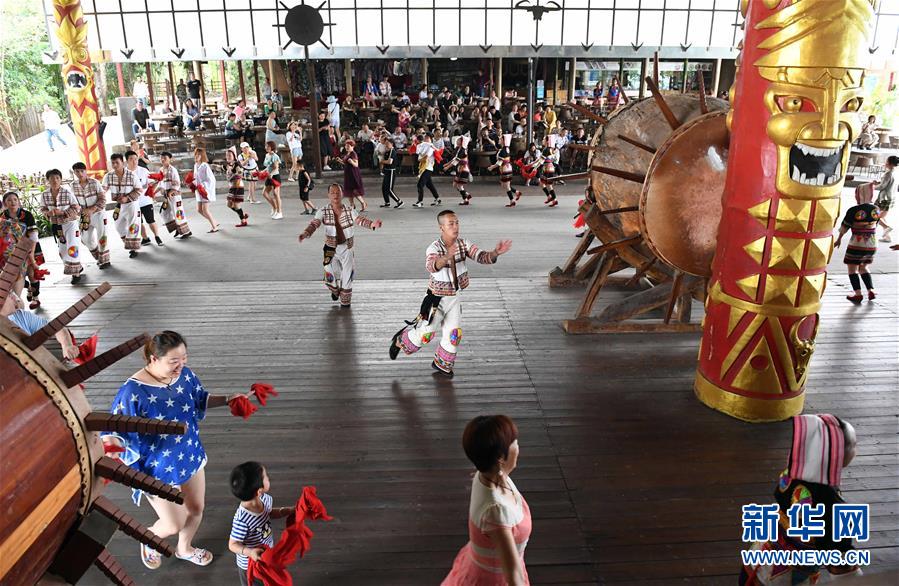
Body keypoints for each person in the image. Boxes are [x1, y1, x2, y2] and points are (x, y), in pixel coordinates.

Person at [102, 331, 252, 570]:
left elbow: (199, 398)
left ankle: (185, 548)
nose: (180, 365)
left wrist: (228, 399)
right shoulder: (132, 391)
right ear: (153, 359)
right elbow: (116, 429)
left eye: (184, 358)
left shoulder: (185, 375)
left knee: (196, 509)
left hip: (188, 453)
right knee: (173, 523)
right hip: (156, 469)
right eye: (173, 361)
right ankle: (149, 538)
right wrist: (112, 447)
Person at [739, 414, 861, 585]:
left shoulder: (792, 474)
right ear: (836, 455)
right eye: (854, 445)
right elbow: (841, 565)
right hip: (787, 576)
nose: (857, 449)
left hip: (761, 557)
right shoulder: (831, 506)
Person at [389, 210, 512, 377]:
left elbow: (481, 256)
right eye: (451, 224)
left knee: (454, 334)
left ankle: (442, 364)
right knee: (426, 333)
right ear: (442, 228)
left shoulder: (463, 244)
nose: (455, 227)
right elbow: (432, 266)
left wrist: (495, 252)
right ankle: (399, 341)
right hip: (436, 299)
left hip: (454, 297)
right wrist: (447, 256)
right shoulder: (434, 248)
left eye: (457, 223)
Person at [441, 415, 530, 585]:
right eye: (514, 442)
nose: (518, 446)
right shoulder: (496, 511)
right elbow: (513, 576)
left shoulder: (485, 475)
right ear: (500, 458)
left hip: (480, 563)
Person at [298, 184, 383, 307]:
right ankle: (334, 290)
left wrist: (372, 224)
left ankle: (345, 300)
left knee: (347, 274)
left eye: (338, 192)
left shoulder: (350, 210)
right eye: (332, 192)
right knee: (329, 270)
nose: (335, 195)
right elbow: (315, 223)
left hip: (347, 247)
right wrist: (306, 233)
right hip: (330, 248)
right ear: (328, 195)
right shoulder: (322, 211)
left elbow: (360, 220)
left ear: (342, 194)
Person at [228, 462, 295, 586]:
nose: (269, 478)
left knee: (268, 580)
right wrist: (250, 552)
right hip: (250, 564)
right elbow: (232, 544)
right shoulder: (242, 519)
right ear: (259, 491)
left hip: (266, 553)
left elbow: (268, 513)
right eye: (266, 477)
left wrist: (287, 511)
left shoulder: (264, 499)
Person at [835, 183, 880, 303]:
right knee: (864, 267)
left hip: (857, 243)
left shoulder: (853, 210)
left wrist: (839, 239)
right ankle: (871, 290)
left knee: (852, 269)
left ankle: (858, 294)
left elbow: (844, 227)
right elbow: (876, 224)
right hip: (872, 243)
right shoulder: (876, 209)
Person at [2, 290, 79, 360]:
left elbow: (56, 328)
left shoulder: (20, 315)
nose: (14, 297)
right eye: (9, 295)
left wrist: (67, 345)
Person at [40, 169, 83, 283]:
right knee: (63, 250)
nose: (55, 180)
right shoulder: (44, 194)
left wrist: (63, 212)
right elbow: (42, 209)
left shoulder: (67, 192)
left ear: (61, 179)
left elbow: (76, 208)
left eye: (57, 178)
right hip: (57, 226)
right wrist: (47, 213)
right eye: (52, 178)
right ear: (48, 180)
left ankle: (76, 273)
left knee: (72, 246)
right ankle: (76, 267)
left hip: (70, 223)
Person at [2, 191, 44, 307]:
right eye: (9, 200)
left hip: (31, 246)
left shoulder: (27, 215)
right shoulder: (2, 217)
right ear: (5, 203)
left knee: (32, 274)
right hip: (12, 251)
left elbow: (33, 236)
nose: (13, 202)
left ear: (19, 201)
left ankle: (36, 297)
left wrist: (31, 256)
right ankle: (28, 288)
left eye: (15, 199)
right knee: (15, 275)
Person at [71, 162, 110, 269]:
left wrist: (92, 209)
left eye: (82, 171)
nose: (80, 174)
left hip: (98, 213)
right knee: (85, 239)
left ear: (86, 171)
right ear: (74, 172)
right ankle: (99, 257)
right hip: (84, 216)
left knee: (102, 236)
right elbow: (73, 203)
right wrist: (80, 211)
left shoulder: (95, 182)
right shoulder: (73, 185)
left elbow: (103, 199)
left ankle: (105, 261)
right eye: (77, 171)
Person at [103, 153, 142, 257]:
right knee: (118, 226)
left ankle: (133, 249)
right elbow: (103, 190)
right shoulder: (108, 176)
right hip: (119, 205)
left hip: (132, 204)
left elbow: (139, 190)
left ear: (123, 163)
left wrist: (127, 198)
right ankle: (129, 244)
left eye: (117, 162)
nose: (115, 165)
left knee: (133, 226)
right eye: (113, 163)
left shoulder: (132, 175)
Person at [127, 150, 163, 248]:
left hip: (145, 201)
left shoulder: (143, 171)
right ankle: (145, 238)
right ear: (127, 161)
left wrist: (153, 187)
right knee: (139, 222)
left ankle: (157, 237)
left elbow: (152, 183)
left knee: (150, 220)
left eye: (136, 159)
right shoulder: (125, 173)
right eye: (131, 159)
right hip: (133, 203)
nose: (134, 161)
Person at [156, 151, 192, 238]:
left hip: (174, 195)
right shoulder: (161, 170)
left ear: (170, 159)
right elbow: (160, 183)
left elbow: (177, 183)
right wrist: (155, 192)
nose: (162, 160)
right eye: (161, 158)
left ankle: (186, 231)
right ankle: (177, 228)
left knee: (178, 212)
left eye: (165, 158)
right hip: (166, 195)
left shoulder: (173, 170)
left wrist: (171, 192)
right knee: (164, 212)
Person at [191, 147, 220, 232]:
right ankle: (214, 222)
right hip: (198, 190)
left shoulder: (205, 166)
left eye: (198, 155)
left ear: (202, 156)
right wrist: (192, 183)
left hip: (205, 190)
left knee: (205, 210)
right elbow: (195, 178)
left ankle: (214, 227)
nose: (196, 156)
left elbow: (211, 179)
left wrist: (203, 185)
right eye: (195, 154)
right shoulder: (195, 165)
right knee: (199, 210)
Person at [490, 135, 523, 208]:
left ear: (503, 141)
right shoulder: (505, 149)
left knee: (506, 185)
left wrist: (492, 167)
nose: (499, 139)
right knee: (504, 184)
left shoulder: (503, 150)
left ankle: (512, 200)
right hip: (506, 168)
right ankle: (517, 192)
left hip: (505, 168)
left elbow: (499, 162)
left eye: (500, 139)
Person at [413, 133, 441, 208]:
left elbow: (426, 157)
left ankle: (420, 202)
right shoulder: (423, 146)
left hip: (427, 168)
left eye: (427, 138)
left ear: (430, 139)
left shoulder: (431, 147)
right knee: (429, 185)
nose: (426, 139)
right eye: (425, 137)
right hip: (424, 168)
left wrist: (420, 159)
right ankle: (437, 199)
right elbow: (419, 154)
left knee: (420, 185)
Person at [444, 134, 472, 206]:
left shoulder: (462, 150)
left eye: (459, 140)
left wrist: (448, 167)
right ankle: (466, 195)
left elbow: (456, 160)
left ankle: (465, 199)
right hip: (460, 169)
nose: (457, 141)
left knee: (458, 185)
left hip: (463, 169)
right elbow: (454, 159)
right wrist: (447, 164)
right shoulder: (459, 149)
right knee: (456, 185)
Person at [225, 147, 249, 228]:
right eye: (227, 155)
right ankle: (242, 215)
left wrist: (232, 172)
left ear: (234, 156)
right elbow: (220, 167)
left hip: (238, 186)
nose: (228, 157)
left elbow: (240, 173)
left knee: (236, 204)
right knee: (229, 204)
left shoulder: (237, 164)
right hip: (232, 187)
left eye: (229, 155)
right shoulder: (229, 165)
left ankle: (243, 221)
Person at [874, 155, 897, 242]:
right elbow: (888, 183)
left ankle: (887, 227)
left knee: (874, 215)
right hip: (891, 197)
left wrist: (873, 187)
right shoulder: (896, 172)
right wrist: (879, 182)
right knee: (882, 217)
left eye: (887, 161)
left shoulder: (888, 173)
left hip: (884, 198)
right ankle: (887, 237)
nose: (885, 163)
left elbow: (882, 186)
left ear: (891, 163)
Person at [342, 139, 368, 212]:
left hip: (353, 174)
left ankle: (363, 203)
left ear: (352, 146)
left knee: (354, 190)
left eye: (348, 146)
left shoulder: (353, 154)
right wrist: (340, 161)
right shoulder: (347, 154)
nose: (346, 147)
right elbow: (346, 163)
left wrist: (351, 162)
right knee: (348, 190)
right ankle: (352, 205)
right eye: (346, 146)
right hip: (348, 174)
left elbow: (356, 165)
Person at [379, 134, 403, 209]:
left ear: (391, 144)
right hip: (386, 171)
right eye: (385, 143)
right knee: (384, 188)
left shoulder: (392, 151)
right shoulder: (387, 151)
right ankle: (387, 202)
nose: (386, 145)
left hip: (391, 171)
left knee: (389, 189)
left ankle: (399, 201)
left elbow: (389, 162)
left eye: (387, 143)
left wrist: (382, 161)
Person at [261, 141, 284, 219]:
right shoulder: (267, 155)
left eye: (268, 146)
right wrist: (263, 171)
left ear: (272, 147)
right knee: (264, 193)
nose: (266, 147)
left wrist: (271, 174)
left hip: (275, 177)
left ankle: (279, 212)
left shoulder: (275, 156)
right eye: (266, 146)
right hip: (269, 176)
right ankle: (274, 207)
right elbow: (268, 167)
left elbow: (276, 168)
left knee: (276, 194)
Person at [538, 135, 560, 207]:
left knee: (546, 184)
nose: (543, 140)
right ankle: (552, 198)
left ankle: (552, 198)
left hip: (547, 167)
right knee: (545, 184)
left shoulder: (546, 150)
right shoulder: (551, 149)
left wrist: (533, 167)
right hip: (551, 167)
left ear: (547, 141)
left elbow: (541, 161)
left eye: (544, 139)